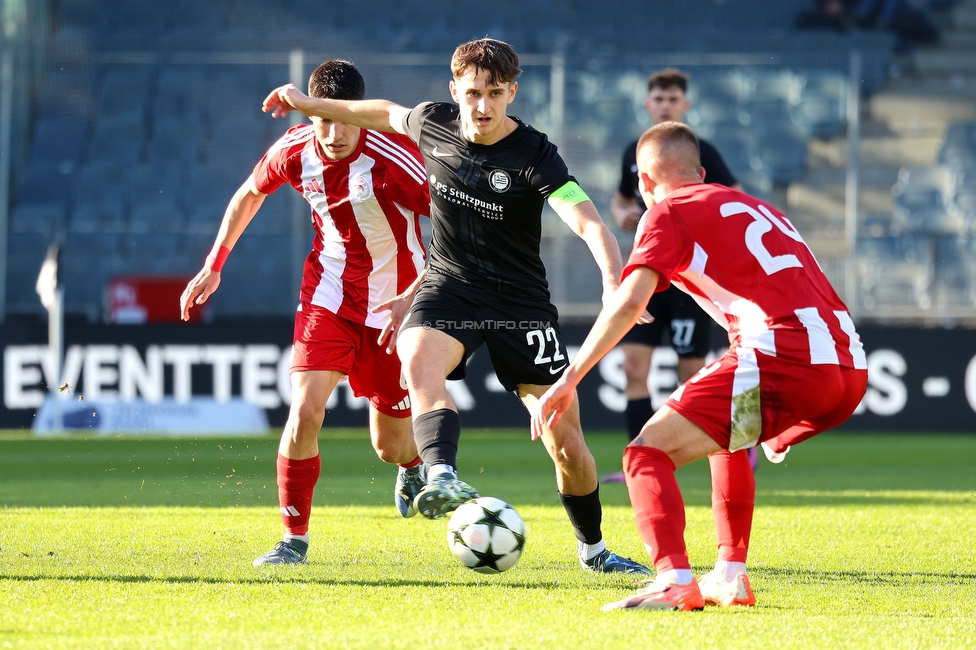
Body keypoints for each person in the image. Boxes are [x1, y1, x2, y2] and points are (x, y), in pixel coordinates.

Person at [263, 38, 649, 574]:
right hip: (451, 286)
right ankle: (440, 473)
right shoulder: (432, 124)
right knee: (418, 360)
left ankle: (594, 550)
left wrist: (613, 278)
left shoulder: (535, 154)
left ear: (512, 91)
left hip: (520, 302)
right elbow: (373, 111)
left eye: (495, 93)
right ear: (454, 92)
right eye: (472, 94)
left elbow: (585, 219)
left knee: (565, 442)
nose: (483, 106)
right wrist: (307, 106)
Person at [531, 121, 867, 610]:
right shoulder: (760, 207)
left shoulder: (666, 211)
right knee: (727, 442)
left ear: (644, 181)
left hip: (781, 352)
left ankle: (674, 579)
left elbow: (629, 307)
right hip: (848, 363)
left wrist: (570, 378)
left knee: (644, 456)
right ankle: (730, 576)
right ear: (702, 172)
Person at [180, 60, 431, 566]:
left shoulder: (395, 159)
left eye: (344, 119)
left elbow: (456, 234)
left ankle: (411, 465)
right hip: (328, 297)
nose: (334, 134)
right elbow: (251, 193)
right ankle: (294, 539)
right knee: (305, 409)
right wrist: (215, 265)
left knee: (389, 446)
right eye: (323, 120)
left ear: (358, 114)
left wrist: (417, 294)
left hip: (395, 308)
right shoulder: (294, 149)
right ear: (311, 115)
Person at [605, 68, 745, 485]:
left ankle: (706, 455)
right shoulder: (634, 151)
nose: (665, 105)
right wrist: (623, 214)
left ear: (685, 105)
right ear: (648, 104)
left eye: (673, 100)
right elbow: (620, 197)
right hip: (647, 272)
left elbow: (733, 198)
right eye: (659, 100)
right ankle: (637, 460)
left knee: (692, 375)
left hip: (687, 280)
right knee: (633, 368)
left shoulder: (700, 152)